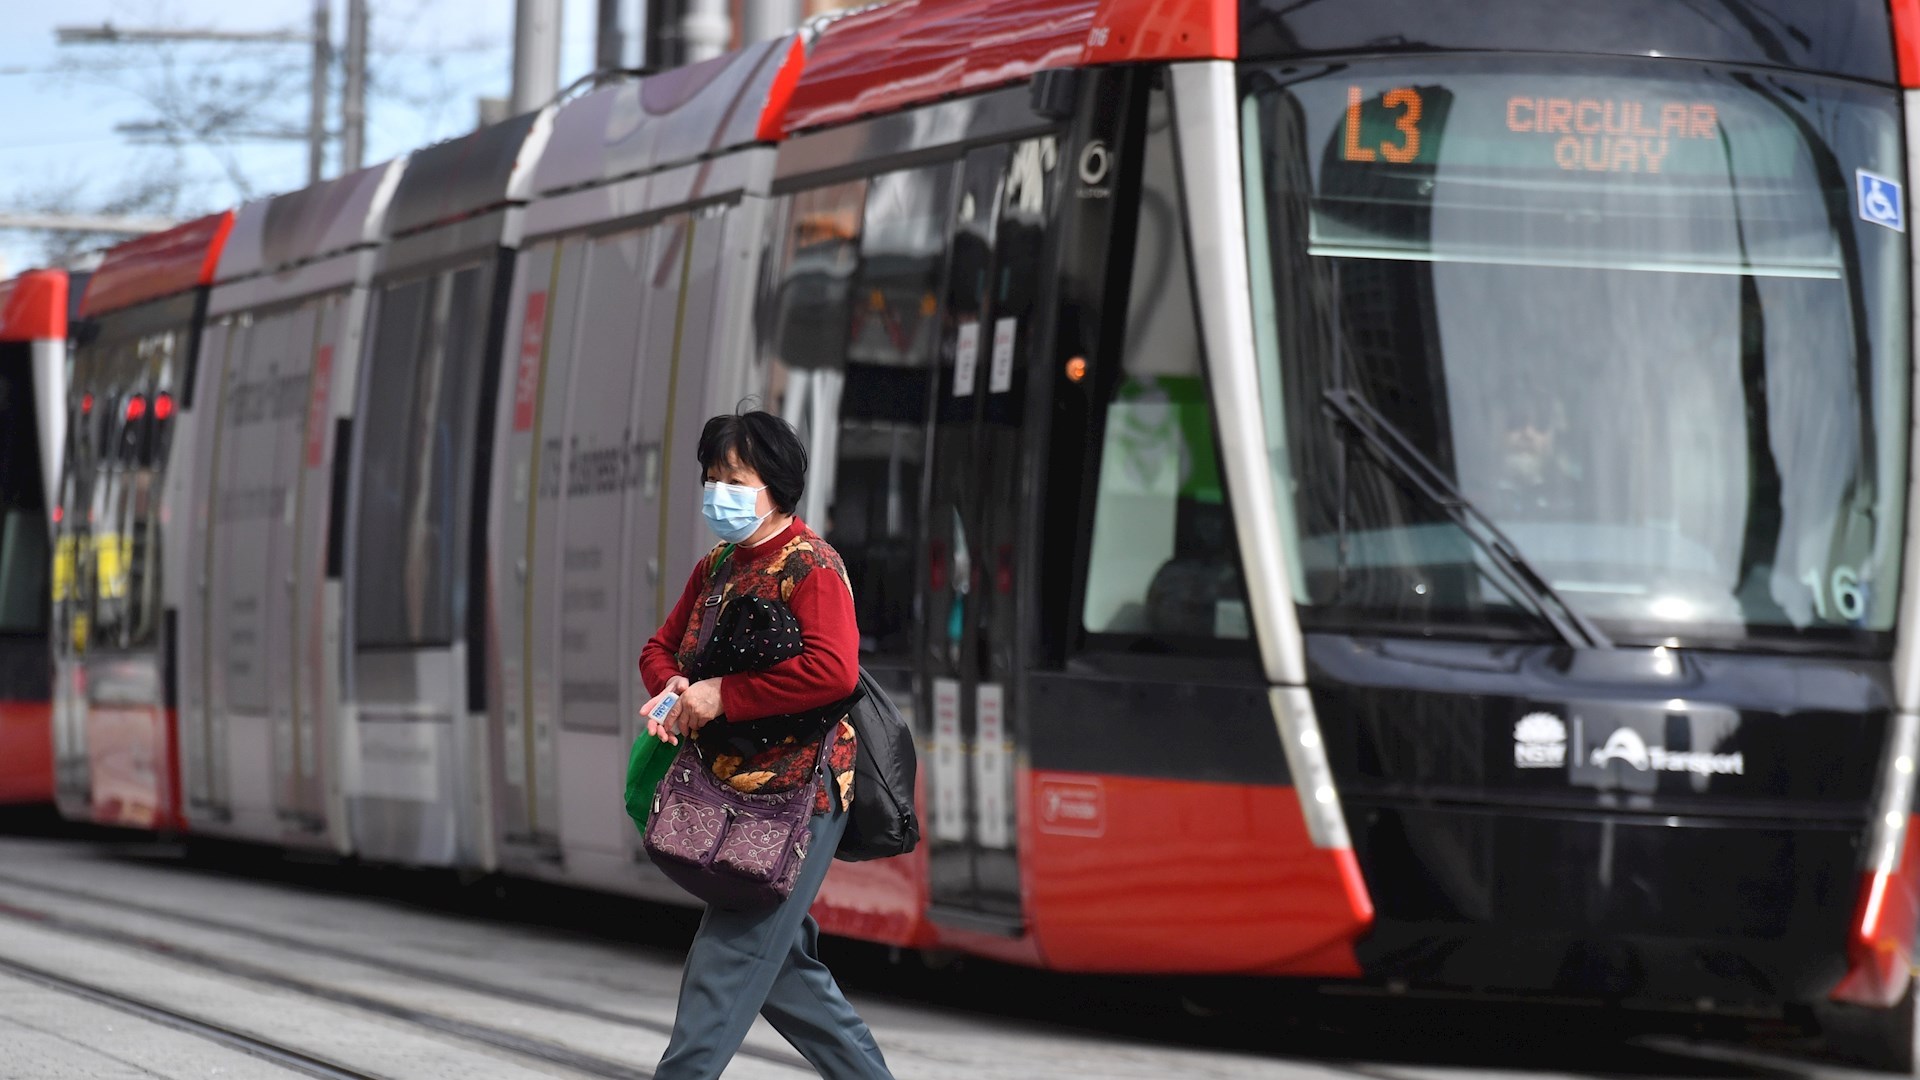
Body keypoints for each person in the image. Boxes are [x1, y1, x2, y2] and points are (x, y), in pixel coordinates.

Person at [637, 410, 895, 1080]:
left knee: (726, 963)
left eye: (735, 477)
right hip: (732, 787)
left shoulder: (812, 565)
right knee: (781, 971)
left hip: (801, 794)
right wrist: (672, 691)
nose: (718, 489)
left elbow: (833, 671)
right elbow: (659, 647)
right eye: (712, 476)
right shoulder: (718, 565)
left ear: (776, 484)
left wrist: (722, 695)